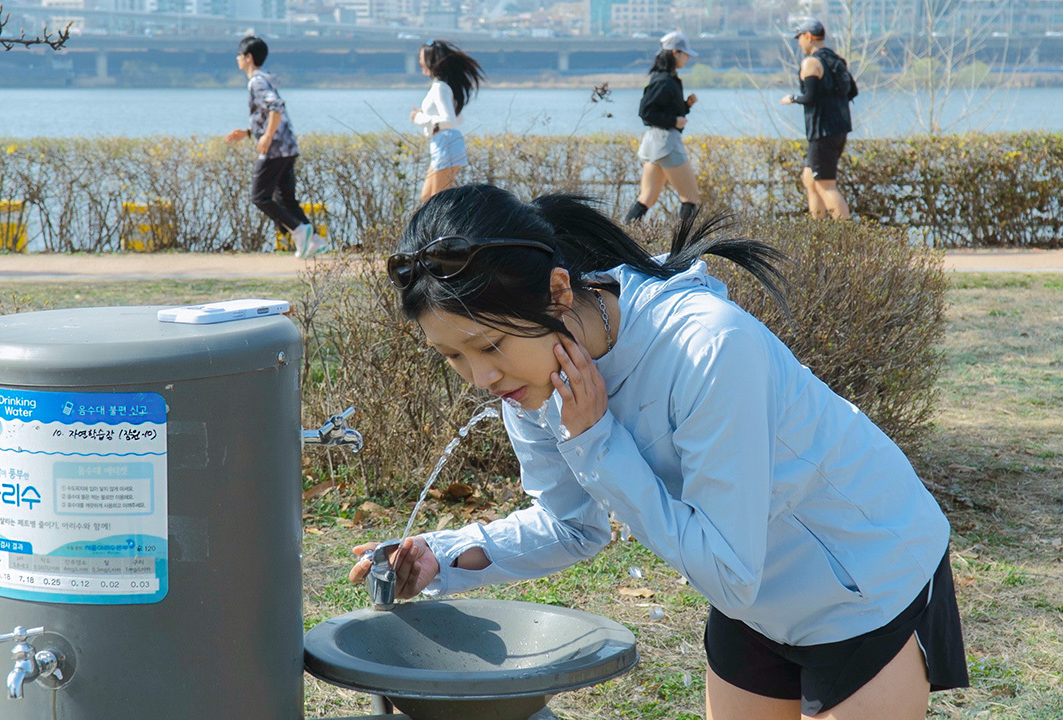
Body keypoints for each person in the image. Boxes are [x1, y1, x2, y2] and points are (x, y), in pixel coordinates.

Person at [348, 184, 969, 719]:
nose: (481, 377)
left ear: (558, 291)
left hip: (864, 579)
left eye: (489, 346)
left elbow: (729, 573)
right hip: (751, 599)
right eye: (453, 355)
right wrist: (442, 556)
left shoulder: (707, 348)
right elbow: (572, 527)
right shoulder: (532, 377)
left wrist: (597, 445)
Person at [224, 35, 324, 257]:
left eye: (239, 55)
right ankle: (314, 241)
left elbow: (276, 108)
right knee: (286, 199)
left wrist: (267, 137)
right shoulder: (266, 79)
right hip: (288, 147)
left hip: (275, 150)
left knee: (259, 197)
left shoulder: (256, 82)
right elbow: (268, 115)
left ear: (249, 58)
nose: (237, 59)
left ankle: (299, 231)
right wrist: (248, 133)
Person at [781, 18, 857, 220]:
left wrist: (792, 98)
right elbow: (852, 91)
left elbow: (810, 97)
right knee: (809, 179)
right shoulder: (837, 61)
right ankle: (818, 230)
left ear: (808, 37)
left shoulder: (811, 63)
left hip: (822, 131)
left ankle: (847, 234)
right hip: (838, 130)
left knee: (826, 185)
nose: (799, 43)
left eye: (799, 38)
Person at [624, 31, 701, 225]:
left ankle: (625, 232)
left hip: (654, 143)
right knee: (691, 197)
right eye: (685, 54)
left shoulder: (664, 78)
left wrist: (686, 106)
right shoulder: (665, 81)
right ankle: (684, 242)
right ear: (675, 53)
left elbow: (660, 110)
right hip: (667, 143)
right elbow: (646, 112)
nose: (688, 58)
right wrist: (674, 122)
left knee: (647, 198)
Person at [410, 40, 484, 204]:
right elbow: (459, 118)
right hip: (443, 142)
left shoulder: (440, 87)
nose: (419, 62)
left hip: (445, 142)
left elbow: (449, 120)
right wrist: (426, 115)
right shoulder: (442, 86)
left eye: (421, 57)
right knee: (427, 197)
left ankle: (460, 219)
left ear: (430, 60)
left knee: (439, 198)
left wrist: (419, 118)